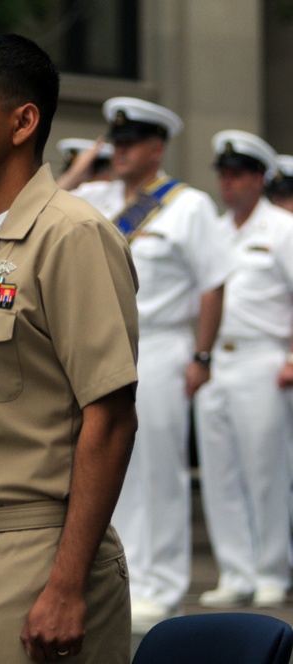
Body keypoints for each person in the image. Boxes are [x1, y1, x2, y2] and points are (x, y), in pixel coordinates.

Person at [0, 34, 139, 663]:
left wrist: (67, 585)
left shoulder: (72, 234)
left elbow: (113, 415)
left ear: (23, 121)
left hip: (33, 557)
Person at [61, 97, 230, 623]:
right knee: (108, 464)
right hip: (103, 345)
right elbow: (35, 208)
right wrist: (79, 168)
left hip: (160, 345)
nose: (120, 151)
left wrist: (201, 355)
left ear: (156, 148)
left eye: (129, 143)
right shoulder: (96, 195)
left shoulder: (187, 205)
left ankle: (165, 581)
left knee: (159, 468)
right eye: (114, 143)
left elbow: (212, 284)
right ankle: (126, 573)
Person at [195, 130, 293, 609]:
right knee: (220, 472)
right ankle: (236, 571)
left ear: (259, 179)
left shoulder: (283, 228)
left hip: (263, 357)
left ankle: (274, 569)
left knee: (266, 470)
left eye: (237, 175)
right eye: (223, 175)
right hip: (216, 360)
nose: (227, 185)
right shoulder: (213, 229)